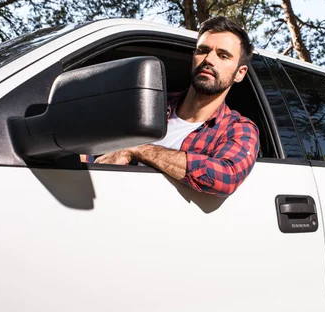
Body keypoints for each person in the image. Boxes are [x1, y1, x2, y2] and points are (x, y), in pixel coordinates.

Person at [94, 16, 259, 197]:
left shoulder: (239, 129)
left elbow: (225, 177)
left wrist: (139, 150)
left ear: (240, 73)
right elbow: (99, 147)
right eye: (202, 50)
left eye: (223, 55)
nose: (209, 59)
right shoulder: (148, 105)